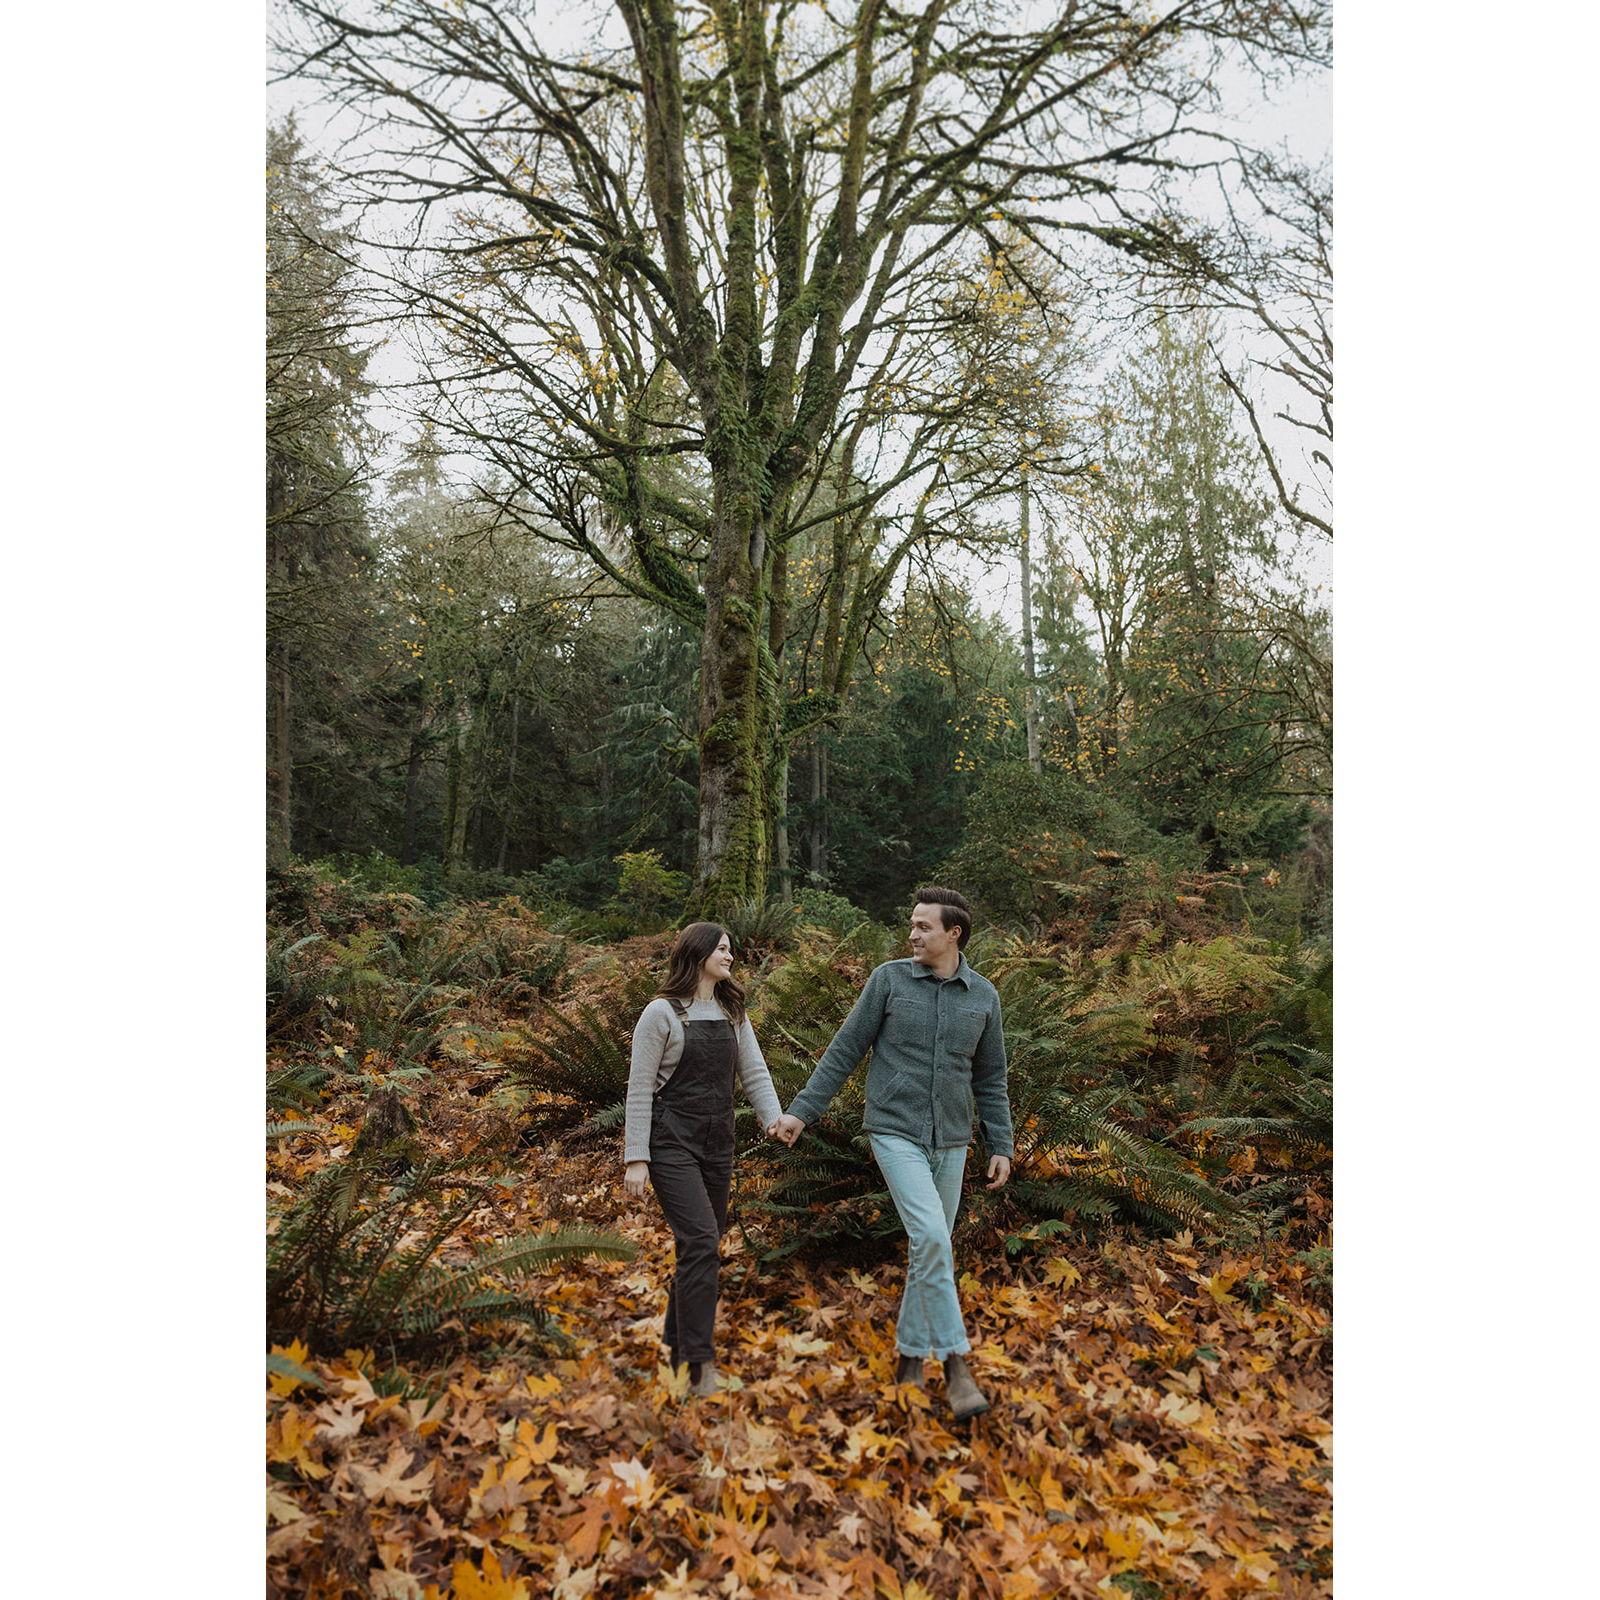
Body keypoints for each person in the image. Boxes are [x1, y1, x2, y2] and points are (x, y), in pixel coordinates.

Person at [770, 886, 1013, 1421]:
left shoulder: (983, 996)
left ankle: (907, 1358)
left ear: (954, 933)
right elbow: (846, 1046)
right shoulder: (890, 981)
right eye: (911, 924)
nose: (912, 934)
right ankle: (955, 1365)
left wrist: (1001, 1143)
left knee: (931, 1249)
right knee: (930, 1236)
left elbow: (991, 1077)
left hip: (951, 1139)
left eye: (924, 926)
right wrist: (801, 1110)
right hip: (894, 1131)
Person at [622, 921, 784, 1397]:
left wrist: (773, 1120)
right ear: (696, 953)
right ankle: (699, 1365)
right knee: (701, 1242)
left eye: (730, 949)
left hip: (719, 1144)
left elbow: (753, 1072)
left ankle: (677, 1348)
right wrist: (637, 1157)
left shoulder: (733, 1011)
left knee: (697, 1249)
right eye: (721, 948)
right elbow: (638, 1088)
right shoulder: (662, 1014)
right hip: (671, 1144)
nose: (729, 955)